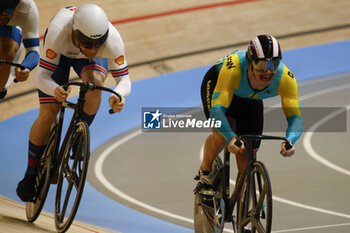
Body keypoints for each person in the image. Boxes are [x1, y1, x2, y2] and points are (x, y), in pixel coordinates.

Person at [16, 4, 131, 202]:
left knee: (95, 86)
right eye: (86, 43)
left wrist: (119, 95)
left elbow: (124, 80)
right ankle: (30, 174)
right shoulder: (58, 32)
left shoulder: (113, 39)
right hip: (60, 55)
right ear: (76, 34)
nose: (92, 49)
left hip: (86, 63)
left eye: (97, 44)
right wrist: (55, 90)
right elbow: (42, 77)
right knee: (48, 112)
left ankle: (78, 134)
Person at [195, 35, 303, 200]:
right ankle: (205, 173)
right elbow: (217, 111)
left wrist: (290, 140)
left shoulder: (286, 79)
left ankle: (244, 202)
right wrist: (231, 137)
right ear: (251, 62)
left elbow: (295, 118)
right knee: (222, 135)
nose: (268, 71)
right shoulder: (233, 69)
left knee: (248, 153)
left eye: (273, 64)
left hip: (250, 99)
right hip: (219, 87)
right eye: (262, 65)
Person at [0, 0, 39, 99]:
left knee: (7, 52)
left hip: (7, 36)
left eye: (6, 14)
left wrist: (26, 67)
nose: (2, 18)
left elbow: (33, 50)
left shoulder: (28, 8)